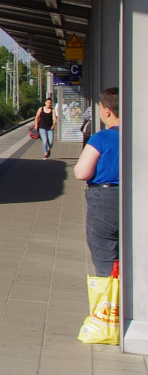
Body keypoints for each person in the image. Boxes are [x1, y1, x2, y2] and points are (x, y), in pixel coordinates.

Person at [73, 88, 120, 276]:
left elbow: (81, 173)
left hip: (105, 200)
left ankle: (111, 304)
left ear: (107, 110)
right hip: (137, 197)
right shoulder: (140, 135)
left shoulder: (101, 137)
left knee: (105, 257)